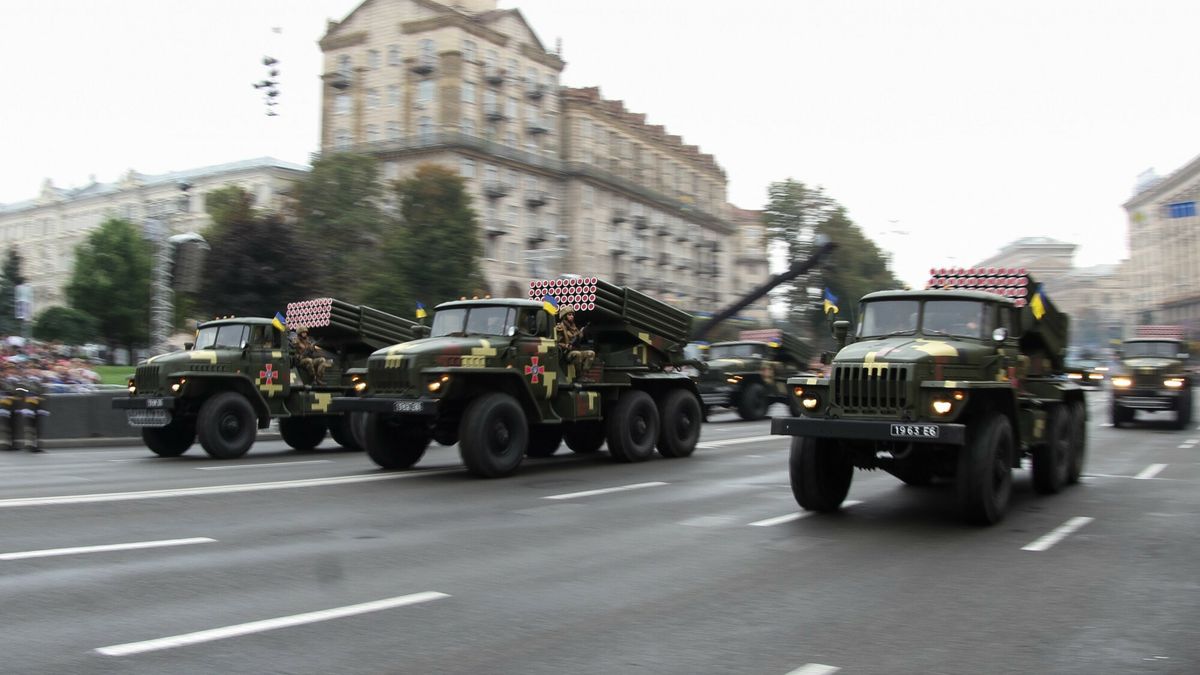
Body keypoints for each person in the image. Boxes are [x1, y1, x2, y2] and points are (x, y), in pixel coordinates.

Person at [556, 308, 596, 382]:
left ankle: (584, 375)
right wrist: (566, 346)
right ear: (564, 316)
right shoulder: (560, 328)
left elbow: (579, 339)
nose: (572, 316)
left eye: (572, 315)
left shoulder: (574, 327)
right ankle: (579, 376)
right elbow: (556, 342)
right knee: (577, 354)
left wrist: (581, 333)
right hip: (566, 353)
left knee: (591, 353)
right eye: (569, 315)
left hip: (575, 350)